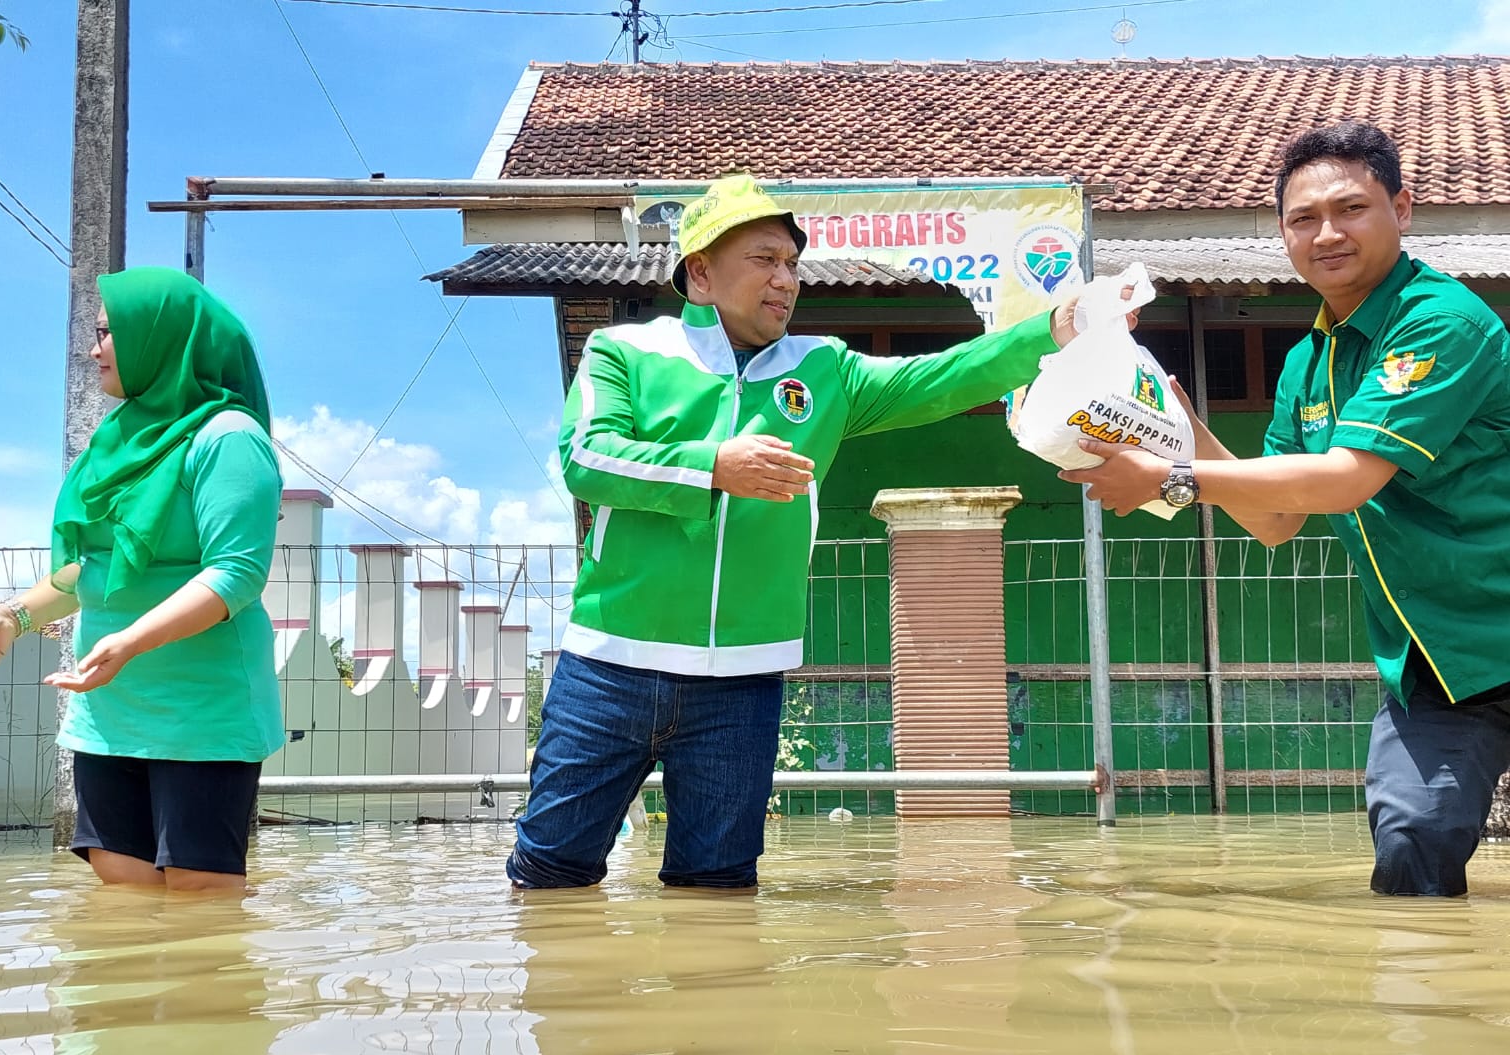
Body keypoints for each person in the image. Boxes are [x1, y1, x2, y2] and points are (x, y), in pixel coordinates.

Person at [509, 173, 1100, 891]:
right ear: (700, 271)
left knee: (719, 890)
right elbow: (586, 459)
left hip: (743, 682)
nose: (786, 279)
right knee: (549, 877)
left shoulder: (825, 370)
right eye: (764, 260)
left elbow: (941, 378)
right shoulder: (625, 352)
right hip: (609, 666)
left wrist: (1052, 330)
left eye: (792, 264)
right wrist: (711, 466)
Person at [1062, 122, 1510, 897]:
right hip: (1439, 661)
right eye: (1304, 219)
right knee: (1411, 845)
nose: (1326, 233)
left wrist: (1166, 476)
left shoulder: (1442, 322)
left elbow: (1343, 480)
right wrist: (1175, 418)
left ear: (1402, 210)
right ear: (1282, 234)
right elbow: (1275, 520)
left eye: (1351, 209)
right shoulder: (1309, 363)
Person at [0, 266, 284, 893]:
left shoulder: (229, 440)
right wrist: (13, 617)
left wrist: (132, 641)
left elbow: (236, 574)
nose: (93, 347)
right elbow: (102, 564)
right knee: (119, 887)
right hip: (109, 710)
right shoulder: (118, 439)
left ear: (162, 339)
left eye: (109, 332)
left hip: (201, 712)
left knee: (199, 893)